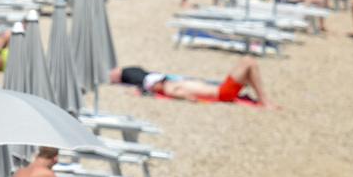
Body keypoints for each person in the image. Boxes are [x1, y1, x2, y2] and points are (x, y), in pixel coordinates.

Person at [110, 61, 272, 108]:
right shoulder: (168, 86)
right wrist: (190, 98)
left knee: (249, 64)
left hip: (222, 91)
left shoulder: (167, 84)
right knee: (249, 63)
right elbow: (176, 93)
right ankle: (264, 100)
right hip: (223, 93)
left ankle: (262, 98)